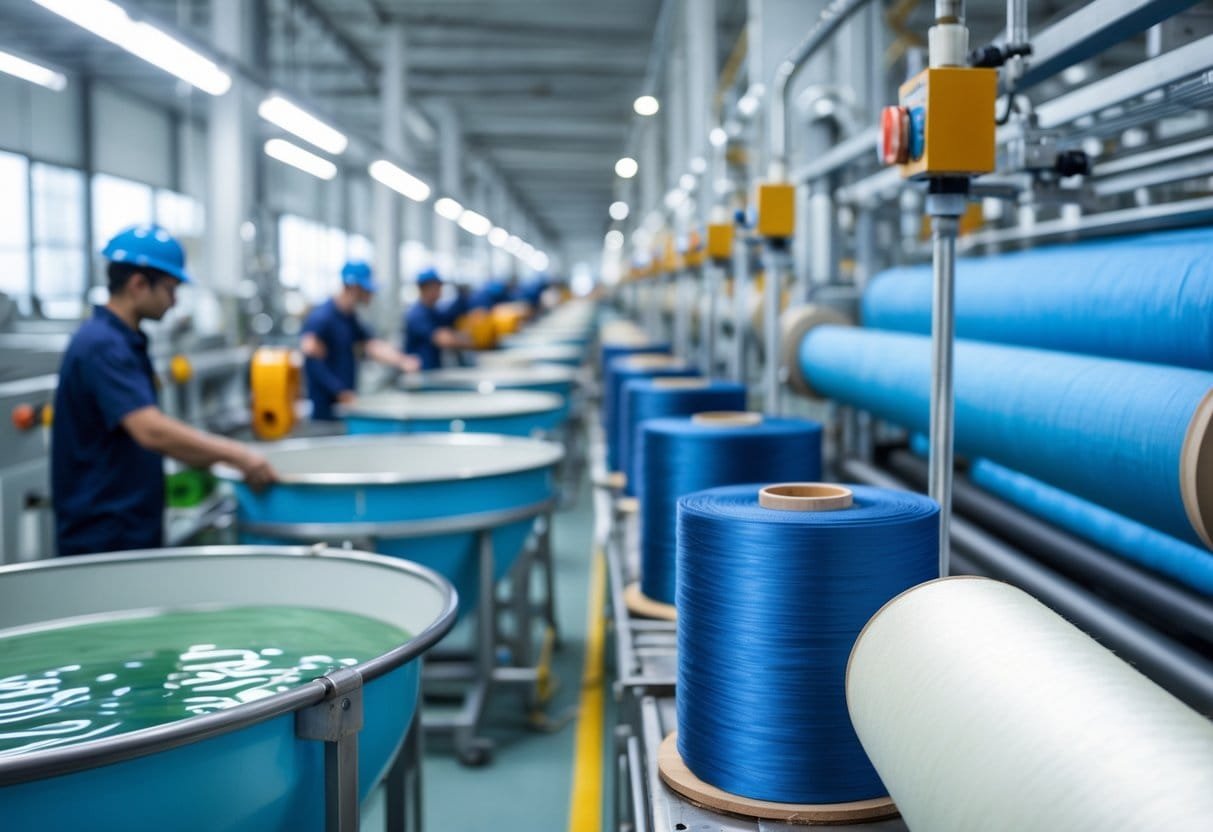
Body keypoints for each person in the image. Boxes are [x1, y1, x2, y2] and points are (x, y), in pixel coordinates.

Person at [52, 224, 277, 557]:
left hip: (126, 523)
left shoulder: (123, 340)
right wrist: (239, 455)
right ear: (139, 284)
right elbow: (151, 431)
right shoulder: (102, 345)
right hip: (104, 533)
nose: (174, 302)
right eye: (171, 289)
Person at [300, 260, 420, 420]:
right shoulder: (322, 318)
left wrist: (403, 361)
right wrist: (339, 391)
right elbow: (311, 359)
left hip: (346, 405)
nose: (371, 294)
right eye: (367, 289)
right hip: (326, 411)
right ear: (353, 288)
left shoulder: (350, 318)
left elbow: (372, 346)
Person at [403, 268, 472, 370]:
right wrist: (474, 341)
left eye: (439, 287)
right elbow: (442, 339)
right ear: (423, 288)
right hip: (419, 374)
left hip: (433, 372)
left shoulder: (434, 312)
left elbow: (449, 320)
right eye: (435, 287)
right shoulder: (417, 315)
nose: (439, 290)